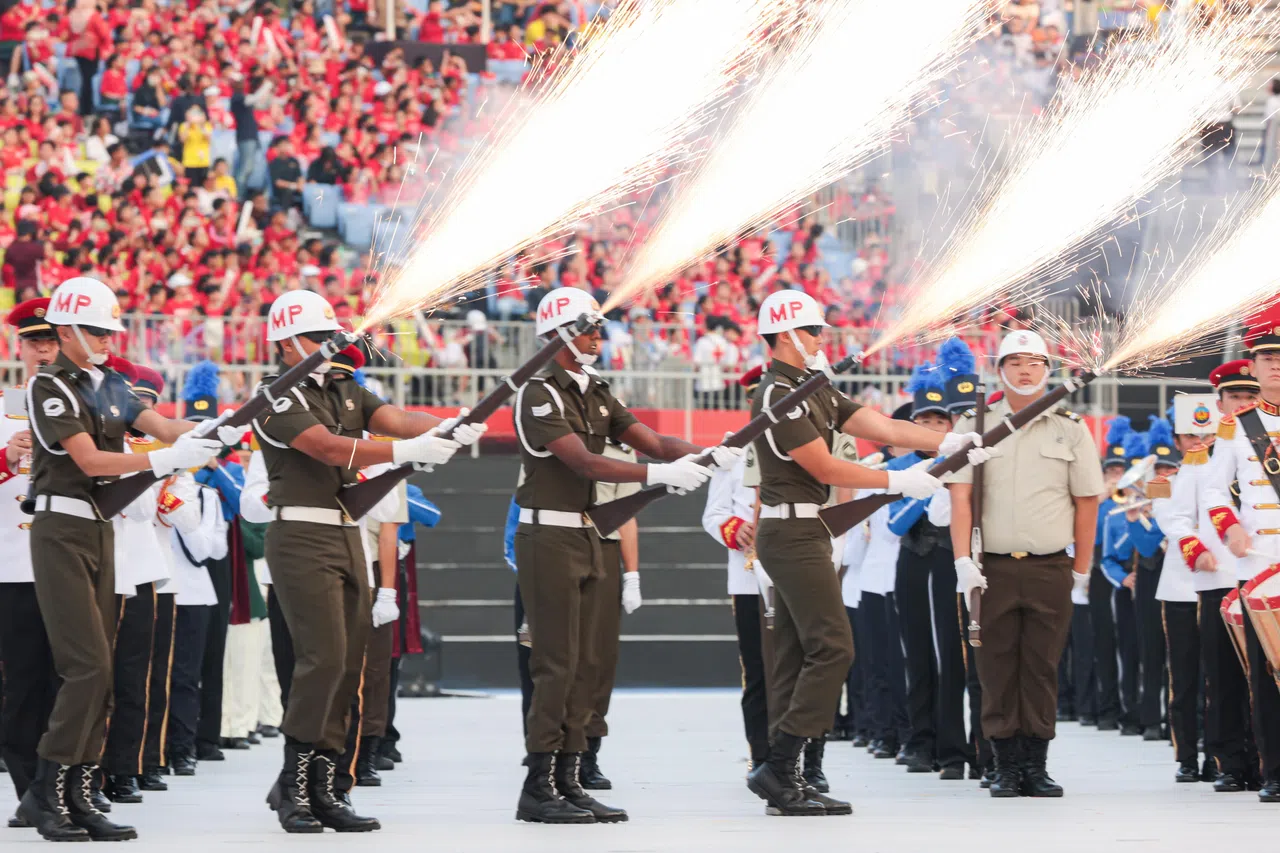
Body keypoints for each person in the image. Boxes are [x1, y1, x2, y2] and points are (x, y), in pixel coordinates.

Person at [250, 289, 485, 833]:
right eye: (314, 338)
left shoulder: (343, 387)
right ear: (285, 345)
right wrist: (407, 452)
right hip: (301, 531)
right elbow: (327, 448)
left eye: (327, 336)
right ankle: (295, 783)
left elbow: (398, 418)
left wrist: (447, 426)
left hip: (343, 532)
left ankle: (328, 785)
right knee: (323, 660)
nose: (326, 347)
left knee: (348, 661)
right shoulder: (277, 396)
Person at [745, 290, 988, 816]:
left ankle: (792, 774)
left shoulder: (811, 388)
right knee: (834, 648)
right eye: (813, 331)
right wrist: (896, 482)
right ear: (787, 335)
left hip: (806, 531)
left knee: (797, 654)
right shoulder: (775, 394)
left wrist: (946, 444)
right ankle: (780, 765)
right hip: (792, 532)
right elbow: (823, 468)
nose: (821, 339)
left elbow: (880, 425)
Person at [511, 287, 735, 824]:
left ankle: (569, 776)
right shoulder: (538, 393)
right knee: (556, 663)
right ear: (560, 332)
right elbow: (585, 462)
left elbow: (653, 441)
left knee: (588, 663)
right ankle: (538, 785)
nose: (597, 335)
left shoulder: (595, 390)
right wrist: (659, 475)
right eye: (588, 327)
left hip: (589, 534)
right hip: (549, 535)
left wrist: (713, 454)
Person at [18, 277, 223, 841]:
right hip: (61, 526)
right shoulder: (51, 387)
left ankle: (81, 794)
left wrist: (219, 428)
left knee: (102, 669)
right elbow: (88, 461)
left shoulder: (109, 384)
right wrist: (164, 459)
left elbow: (163, 427)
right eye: (98, 330)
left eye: (111, 328)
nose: (109, 338)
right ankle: (48, 791)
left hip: (101, 530)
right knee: (85, 665)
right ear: (66, 332)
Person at [947, 329, 1104, 798]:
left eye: (1034, 362)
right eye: (1015, 362)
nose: (1025, 369)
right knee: (994, 667)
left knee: (1040, 666)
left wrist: (1082, 568)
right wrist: (961, 560)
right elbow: (961, 496)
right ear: (1000, 370)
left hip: (1048, 566)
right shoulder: (974, 425)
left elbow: (1088, 501)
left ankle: (1035, 764)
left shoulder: (1069, 426)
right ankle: (1002, 764)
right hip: (990, 566)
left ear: (1047, 369)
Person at [1197, 310, 1280, 803]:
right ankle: (1275, 771)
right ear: (1253, 364)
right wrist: (1229, 531)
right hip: (1259, 562)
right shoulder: (1236, 427)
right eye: (1268, 357)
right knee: (1268, 674)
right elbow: (1211, 491)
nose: (1276, 366)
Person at [1164, 360, 1258, 789]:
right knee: (1221, 675)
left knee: (1263, 675)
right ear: (1219, 402)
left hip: (1261, 573)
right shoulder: (1202, 455)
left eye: (1249, 396)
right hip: (1219, 576)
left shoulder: (1266, 442)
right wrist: (1194, 549)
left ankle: (1264, 757)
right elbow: (1180, 517)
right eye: (1236, 397)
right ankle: (1230, 761)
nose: (1243, 403)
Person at [887, 361, 969, 780]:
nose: (933, 427)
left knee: (953, 655)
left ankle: (956, 745)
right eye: (925, 420)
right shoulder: (901, 468)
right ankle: (921, 741)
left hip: (949, 560)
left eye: (941, 419)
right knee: (918, 652)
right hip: (914, 560)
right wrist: (928, 488)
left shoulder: (961, 459)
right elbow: (893, 522)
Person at [100, 356, 172, 805]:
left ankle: (125, 769)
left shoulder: (144, 451)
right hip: (98, 567)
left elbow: (143, 510)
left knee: (132, 677)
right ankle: (88, 770)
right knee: (92, 677)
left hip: (138, 571)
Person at [0, 298, 59, 829]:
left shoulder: (78, 404)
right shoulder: (0, 409)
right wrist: (5, 459)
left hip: (67, 564)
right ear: (18, 348)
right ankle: (29, 790)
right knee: (21, 684)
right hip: (14, 566)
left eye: (51, 341)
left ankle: (63, 786)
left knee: (71, 682)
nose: (42, 349)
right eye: (33, 341)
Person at [702, 366, 768, 770]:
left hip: (791, 571)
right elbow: (713, 515)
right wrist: (736, 529)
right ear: (749, 402)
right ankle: (761, 755)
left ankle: (800, 758)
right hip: (747, 577)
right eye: (757, 397)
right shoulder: (733, 454)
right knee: (757, 670)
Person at [578, 436, 642, 790]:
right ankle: (554, 750)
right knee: (561, 657)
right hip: (561, 538)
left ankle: (588, 752)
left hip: (604, 546)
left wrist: (631, 573)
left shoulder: (618, 449)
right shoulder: (554, 435)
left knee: (600, 657)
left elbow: (627, 515)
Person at [1149, 411, 1205, 782]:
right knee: (1183, 677)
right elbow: (1167, 521)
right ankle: (1186, 756)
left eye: (1204, 435)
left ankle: (1222, 753)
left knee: (1223, 677)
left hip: (1223, 582)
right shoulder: (1164, 481)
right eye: (1188, 436)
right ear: (1177, 439)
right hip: (1182, 586)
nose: (1196, 443)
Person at [1091, 416, 1132, 732]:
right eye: (1111, 472)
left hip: (1128, 569)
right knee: (1103, 642)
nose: (1116, 477)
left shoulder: (1134, 497)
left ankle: (1132, 707)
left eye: (1121, 472)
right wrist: (1102, 499)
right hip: (1099, 571)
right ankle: (1106, 708)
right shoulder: (1097, 502)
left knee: (1131, 645)